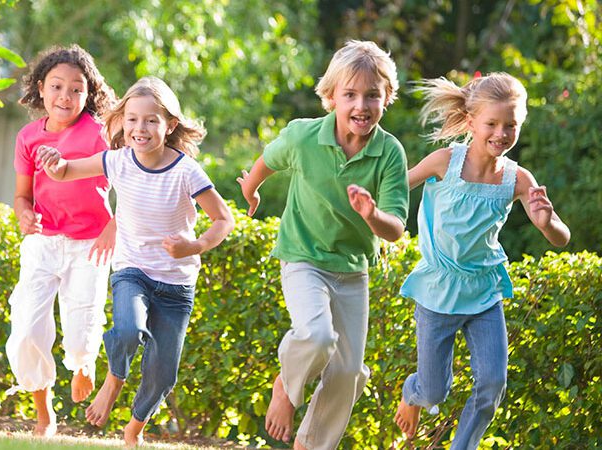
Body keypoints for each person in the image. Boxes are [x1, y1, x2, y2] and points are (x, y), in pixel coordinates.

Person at [37, 76, 234, 446]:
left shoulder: (186, 171)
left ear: (169, 125)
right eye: (131, 119)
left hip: (176, 284)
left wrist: (193, 247)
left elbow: (224, 219)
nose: (139, 128)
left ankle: (133, 431)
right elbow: (66, 170)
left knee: (163, 373)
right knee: (127, 329)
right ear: (121, 122)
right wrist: (54, 162)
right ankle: (114, 379)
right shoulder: (118, 161)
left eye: (150, 120)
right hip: (133, 270)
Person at [237, 40, 409, 449]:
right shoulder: (303, 137)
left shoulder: (390, 154)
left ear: (387, 98)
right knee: (316, 336)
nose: (361, 105)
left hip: (353, 271)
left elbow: (396, 227)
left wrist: (372, 216)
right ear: (331, 97)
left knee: (349, 371)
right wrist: (251, 189)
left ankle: (310, 445)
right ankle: (286, 387)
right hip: (303, 259)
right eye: (349, 94)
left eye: (372, 95)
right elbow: (269, 159)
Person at [393, 72, 570, 449]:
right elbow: (395, 187)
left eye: (511, 125)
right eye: (492, 123)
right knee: (435, 391)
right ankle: (413, 392)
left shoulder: (518, 178)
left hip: (484, 292)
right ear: (472, 122)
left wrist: (546, 220)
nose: (501, 133)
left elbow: (560, 237)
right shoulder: (445, 161)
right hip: (439, 290)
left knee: (492, 383)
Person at [3, 45, 117, 437]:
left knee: (82, 322)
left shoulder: (100, 133)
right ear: (41, 88)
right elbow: (22, 195)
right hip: (44, 240)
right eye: (56, 87)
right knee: (28, 328)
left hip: (91, 244)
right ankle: (43, 413)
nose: (65, 97)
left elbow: (133, 181)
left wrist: (113, 226)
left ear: (89, 94)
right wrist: (22, 213)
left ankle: (83, 364)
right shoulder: (28, 137)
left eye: (76, 89)